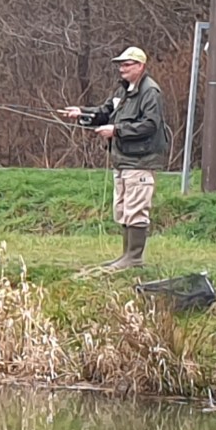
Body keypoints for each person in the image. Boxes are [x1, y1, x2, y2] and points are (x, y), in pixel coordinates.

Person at [56, 45, 169, 270]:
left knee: (136, 208)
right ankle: (125, 256)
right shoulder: (123, 90)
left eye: (127, 65)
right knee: (124, 208)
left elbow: (150, 125)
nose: (122, 69)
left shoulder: (150, 91)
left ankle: (134, 259)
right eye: (120, 65)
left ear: (141, 66)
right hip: (123, 160)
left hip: (141, 161)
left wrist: (116, 131)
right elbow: (105, 112)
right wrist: (82, 113)